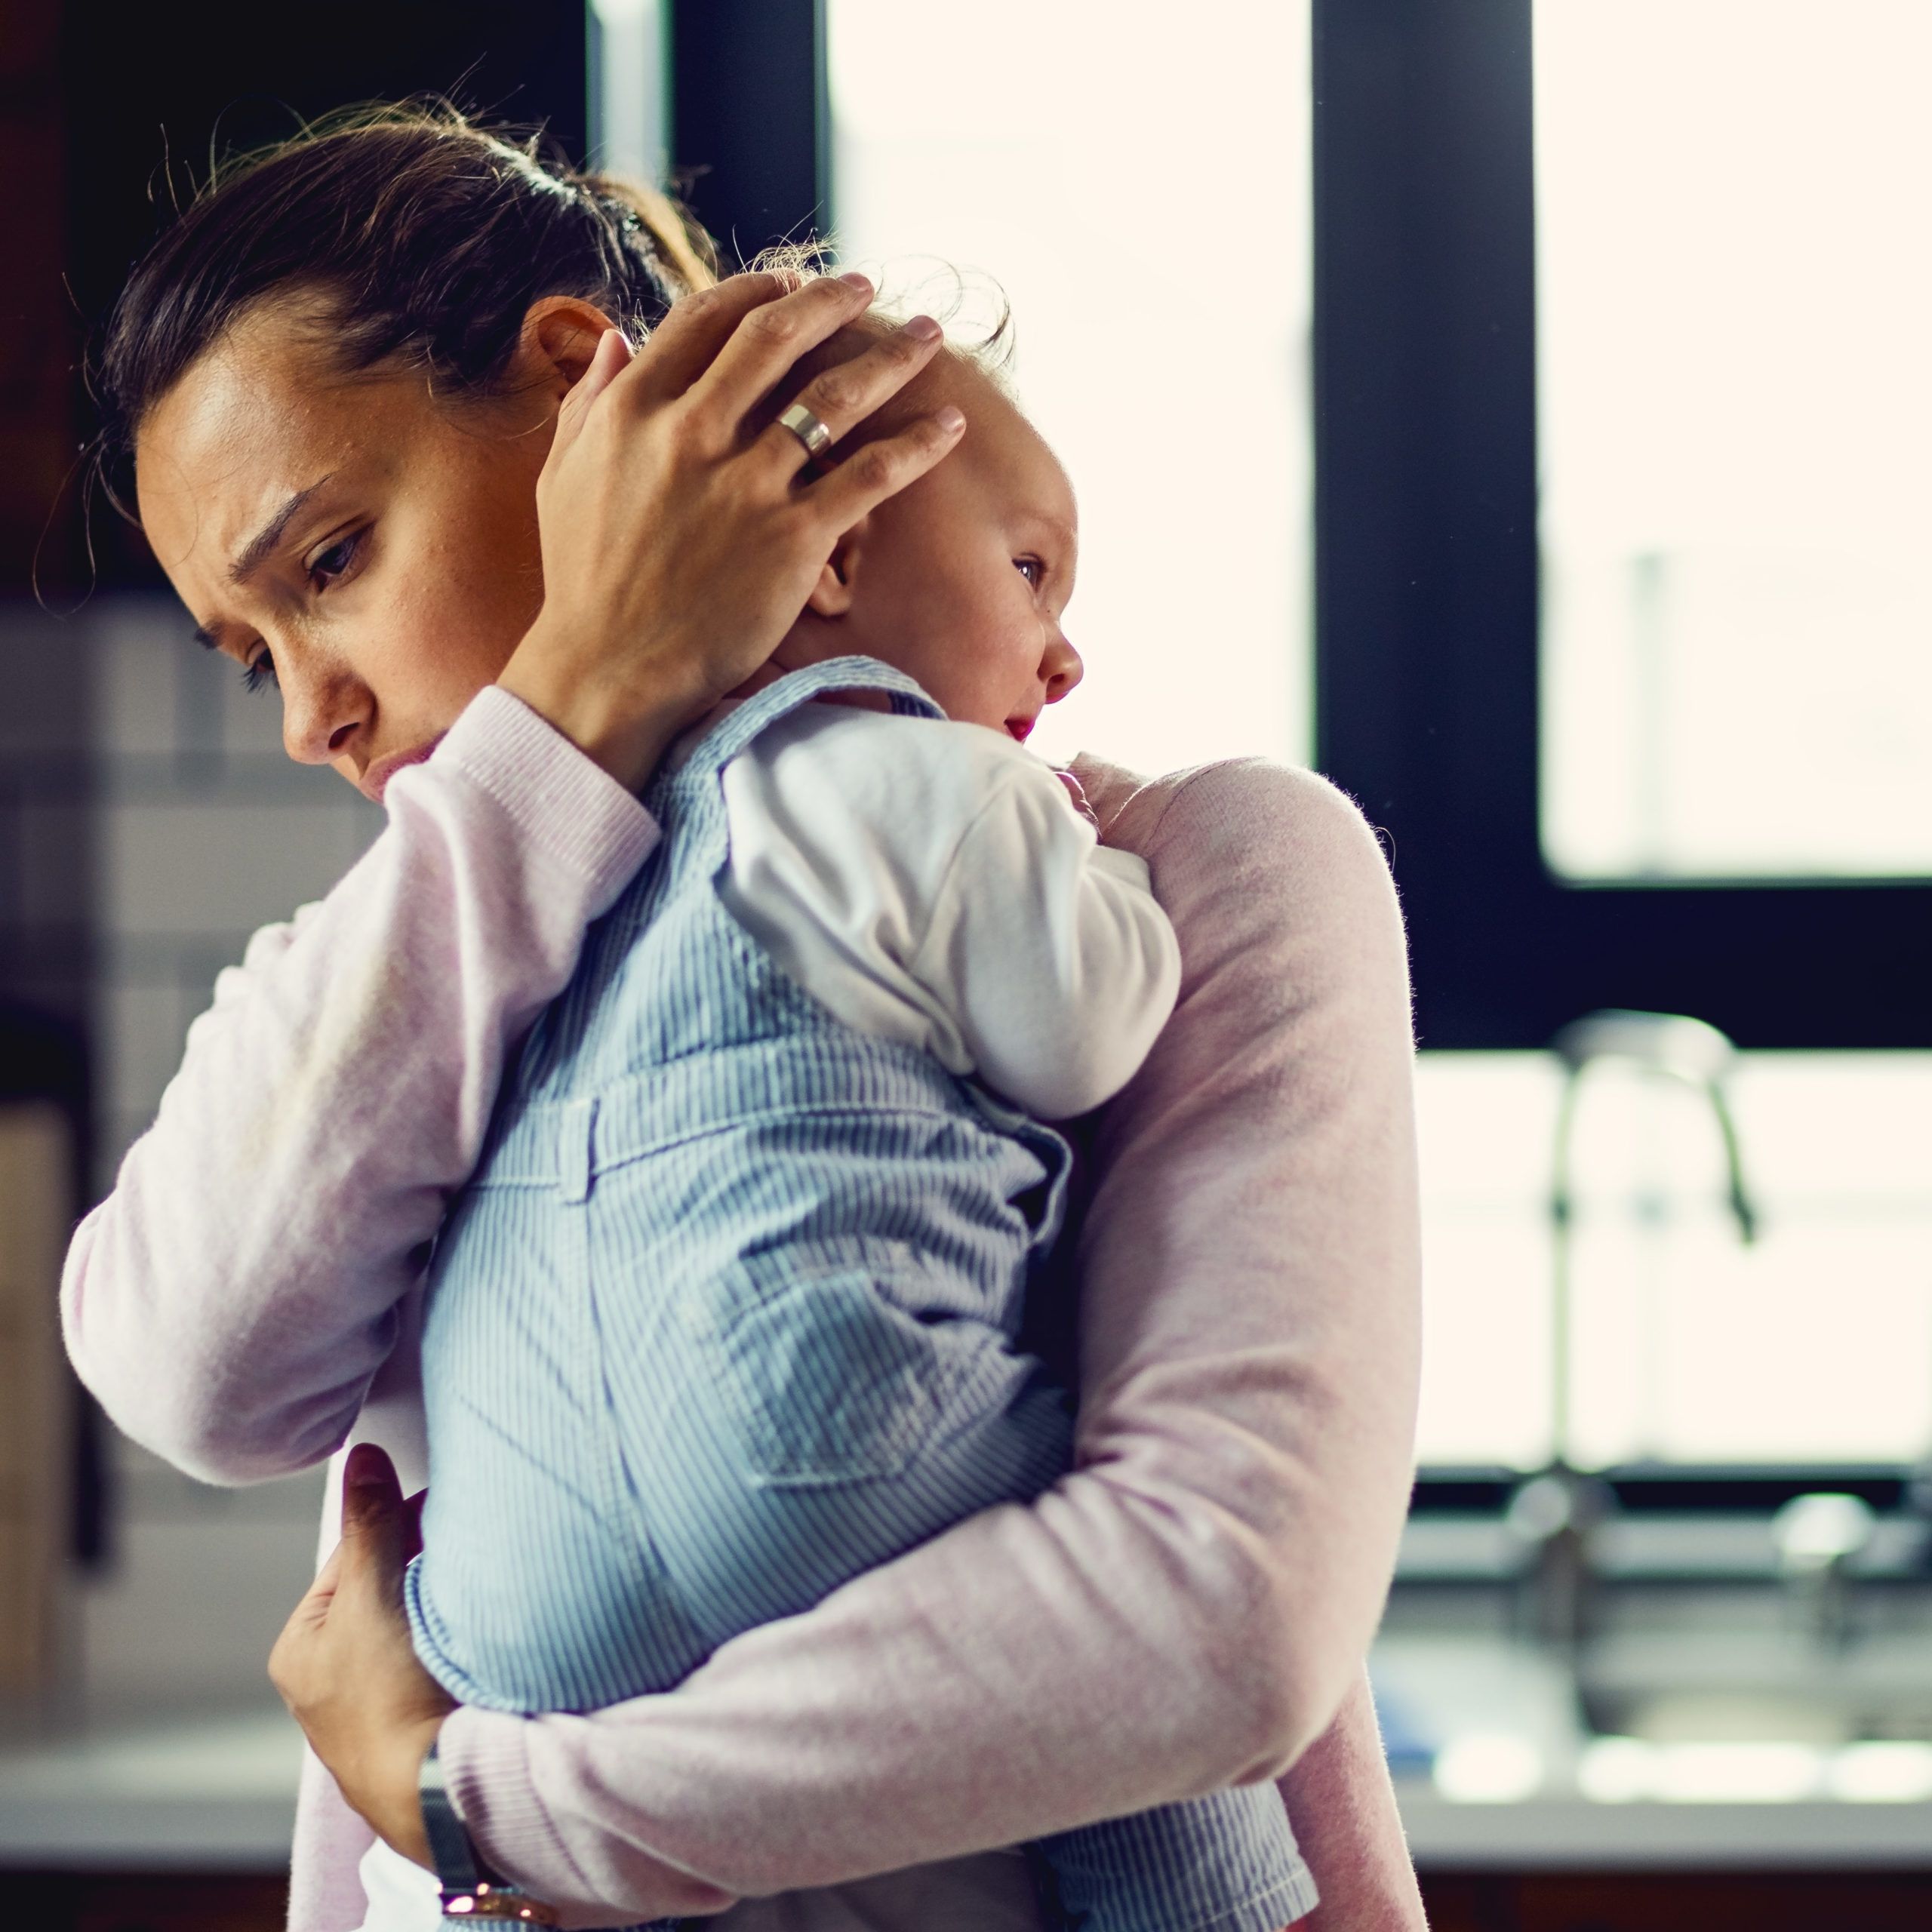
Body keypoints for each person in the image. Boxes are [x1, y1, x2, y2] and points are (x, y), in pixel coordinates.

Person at [61, 109, 1426, 1932]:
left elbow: (1215, 1625)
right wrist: (570, 718)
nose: (309, 713)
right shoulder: (376, 962)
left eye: (329, 562)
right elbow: (200, 1372)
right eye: (252, 652)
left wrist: (483, 1800)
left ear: (573, 390)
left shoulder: (1173, 872)